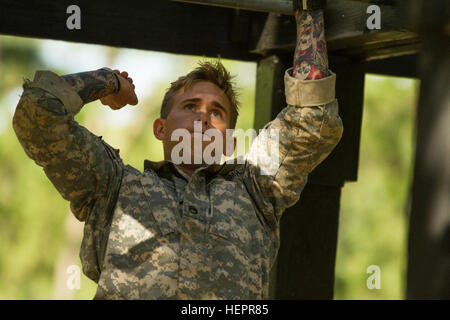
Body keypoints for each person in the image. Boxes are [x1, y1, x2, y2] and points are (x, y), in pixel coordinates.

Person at [13, 6, 343, 299]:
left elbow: (310, 122)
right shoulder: (113, 185)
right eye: (190, 106)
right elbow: (38, 115)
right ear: (161, 129)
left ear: (228, 141)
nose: (202, 116)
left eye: (216, 112)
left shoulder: (256, 187)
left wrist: (308, 12)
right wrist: (108, 81)